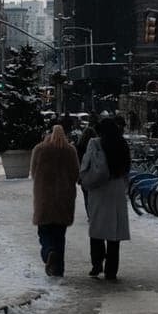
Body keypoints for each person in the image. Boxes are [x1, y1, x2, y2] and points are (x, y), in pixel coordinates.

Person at [80, 113, 132, 280]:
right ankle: (112, 270)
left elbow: (87, 164)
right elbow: (127, 166)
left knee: (97, 229)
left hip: (99, 189)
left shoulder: (95, 143)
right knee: (114, 233)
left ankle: (96, 264)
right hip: (116, 189)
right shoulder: (122, 144)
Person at [29, 123, 80, 278]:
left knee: (44, 231)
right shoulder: (70, 150)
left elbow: (33, 172)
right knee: (60, 236)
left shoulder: (39, 149)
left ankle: (48, 252)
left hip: (44, 198)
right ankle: (58, 270)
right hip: (64, 199)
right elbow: (76, 173)